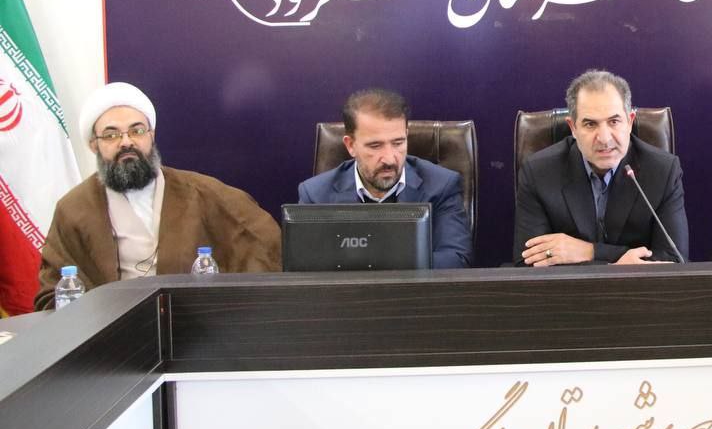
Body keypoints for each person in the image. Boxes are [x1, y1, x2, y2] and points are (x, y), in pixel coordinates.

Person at [34, 82, 279, 309]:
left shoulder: (204, 193)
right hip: (113, 331)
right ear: (93, 145)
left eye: (137, 131)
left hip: (193, 327)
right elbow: (53, 293)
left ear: (152, 135)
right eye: (111, 135)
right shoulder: (73, 209)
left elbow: (266, 248)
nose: (126, 142)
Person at [515, 69, 688, 266]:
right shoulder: (539, 173)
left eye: (614, 121)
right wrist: (618, 262)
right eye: (590, 124)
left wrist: (590, 251)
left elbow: (674, 260)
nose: (604, 139)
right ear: (573, 128)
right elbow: (527, 264)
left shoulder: (662, 171)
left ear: (630, 122)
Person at [297, 88, 472, 268]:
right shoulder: (315, 195)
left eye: (398, 143)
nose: (389, 159)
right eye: (375, 146)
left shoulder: (441, 185)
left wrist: (372, 263)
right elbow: (305, 268)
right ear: (351, 145)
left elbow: (455, 260)